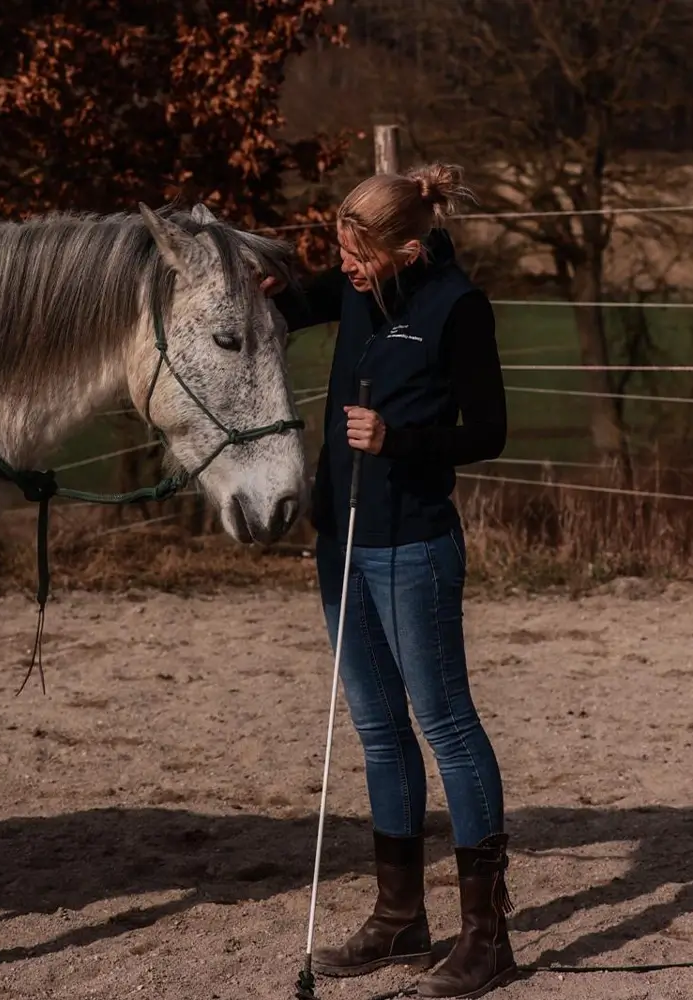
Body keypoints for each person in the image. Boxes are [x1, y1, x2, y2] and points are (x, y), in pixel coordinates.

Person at [264, 163, 516, 999]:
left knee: (444, 722)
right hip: (340, 543)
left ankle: (488, 938)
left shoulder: (456, 307)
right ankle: (401, 919)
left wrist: (399, 439)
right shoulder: (350, 292)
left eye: (360, 252)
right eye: (340, 249)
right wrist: (265, 285)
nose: (346, 265)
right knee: (377, 728)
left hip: (414, 547)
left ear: (409, 247)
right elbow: (285, 299)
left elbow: (488, 431)